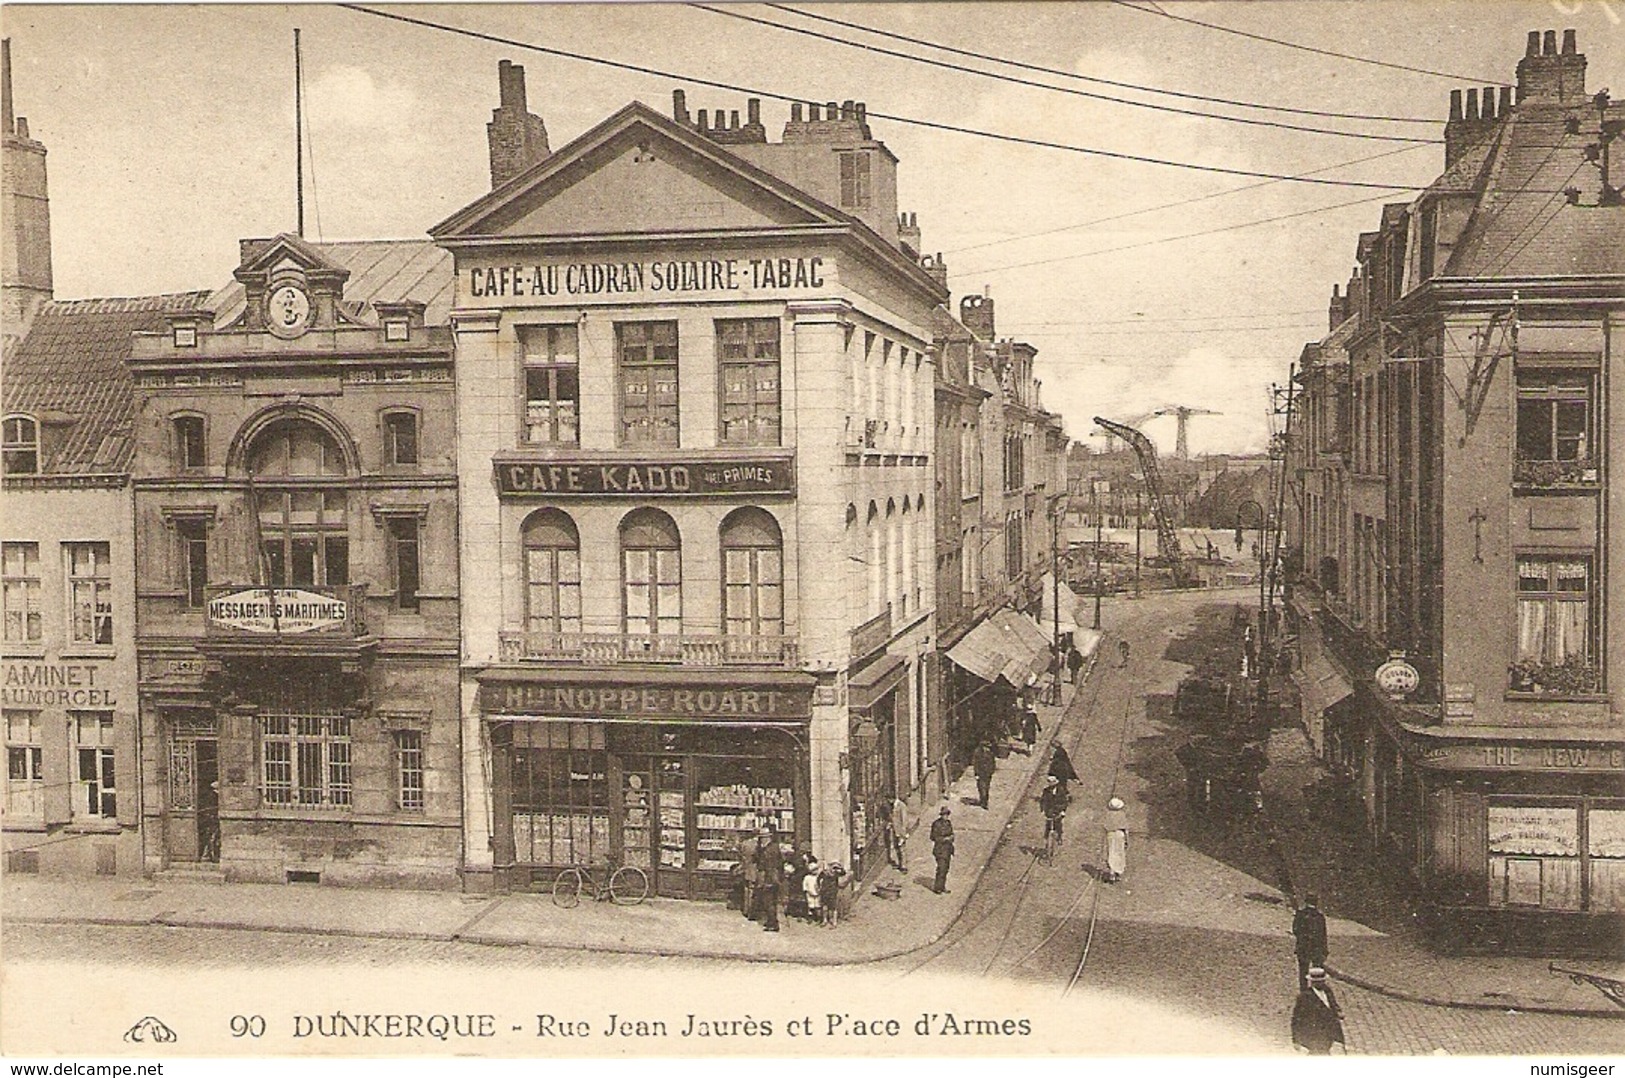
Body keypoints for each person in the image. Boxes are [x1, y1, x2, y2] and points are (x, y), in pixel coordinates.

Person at [1290, 968, 1346, 1054]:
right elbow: (1297, 1018)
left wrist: (1338, 1012)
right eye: (1317, 982)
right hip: (1315, 1035)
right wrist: (1296, 1040)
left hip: (1330, 1033)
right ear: (1312, 982)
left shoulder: (1328, 991)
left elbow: (1333, 1005)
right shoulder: (1305, 997)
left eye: (1322, 981)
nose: (1320, 983)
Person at [1291, 893, 1329, 986]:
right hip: (1316, 948)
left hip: (1303, 947)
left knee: (1303, 970)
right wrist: (1325, 949)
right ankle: (1316, 989)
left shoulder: (1300, 914)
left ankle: (1304, 990)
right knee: (1317, 971)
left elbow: (1295, 930)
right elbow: (1323, 935)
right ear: (1316, 903)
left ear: (1306, 902)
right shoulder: (1320, 917)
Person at [753, 825, 785, 932]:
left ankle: (773, 923)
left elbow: (769, 865)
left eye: (762, 837)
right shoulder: (770, 847)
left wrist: (769, 879)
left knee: (769, 901)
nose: (761, 839)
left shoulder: (770, 849)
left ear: (768, 837)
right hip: (771, 877)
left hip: (770, 878)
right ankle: (770, 920)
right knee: (768, 900)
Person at [1039, 775, 1069, 862]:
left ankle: (1059, 836)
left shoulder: (1061, 791)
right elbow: (1042, 800)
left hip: (1057, 811)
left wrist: (1063, 811)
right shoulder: (1046, 791)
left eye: (1053, 783)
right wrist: (1042, 810)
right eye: (1050, 783)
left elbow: (1064, 802)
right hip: (1049, 811)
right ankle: (1046, 839)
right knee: (1048, 825)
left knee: (1058, 825)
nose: (1051, 785)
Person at [930, 806, 955, 894]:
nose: (946, 817)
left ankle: (942, 886)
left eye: (947, 815)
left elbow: (952, 833)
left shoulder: (948, 823)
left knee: (946, 869)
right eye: (944, 815)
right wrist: (944, 839)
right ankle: (937, 888)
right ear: (941, 815)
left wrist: (951, 837)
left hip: (948, 849)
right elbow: (933, 837)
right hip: (940, 850)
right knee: (941, 868)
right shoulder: (936, 824)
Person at [883, 793, 910, 872]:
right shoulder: (892, 806)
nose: (888, 801)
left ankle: (904, 866)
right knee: (896, 847)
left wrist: (903, 833)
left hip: (901, 831)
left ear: (892, 799)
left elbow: (904, 820)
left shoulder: (901, 806)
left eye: (888, 799)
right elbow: (893, 818)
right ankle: (900, 863)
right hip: (895, 830)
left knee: (902, 848)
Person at [1103, 796, 1128, 882]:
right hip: (1119, 834)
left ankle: (1112, 873)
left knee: (1111, 852)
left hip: (1110, 834)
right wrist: (1127, 840)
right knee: (1119, 852)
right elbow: (1125, 829)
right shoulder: (1122, 815)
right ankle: (1118, 871)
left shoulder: (1108, 814)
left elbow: (1105, 826)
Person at [819, 861, 849, 927]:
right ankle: (825, 920)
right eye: (833, 867)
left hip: (833, 892)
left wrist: (840, 867)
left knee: (834, 908)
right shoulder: (824, 873)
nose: (833, 869)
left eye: (835, 868)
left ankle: (834, 922)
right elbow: (818, 879)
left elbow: (843, 873)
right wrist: (819, 887)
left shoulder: (836, 874)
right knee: (824, 907)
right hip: (825, 891)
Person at [972, 741, 996, 808]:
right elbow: (975, 764)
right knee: (981, 787)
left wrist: (992, 770)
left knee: (987, 787)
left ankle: (985, 801)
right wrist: (976, 773)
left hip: (988, 773)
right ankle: (983, 801)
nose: (988, 748)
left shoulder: (990, 753)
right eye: (986, 747)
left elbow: (993, 762)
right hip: (981, 773)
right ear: (983, 747)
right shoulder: (977, 753)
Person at [801, 857, 822, 925]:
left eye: (816, 870)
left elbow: (821, 884)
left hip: (817, 893)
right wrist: (806, 891)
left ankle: (818, 918)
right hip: (810, 893)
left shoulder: (818, 877)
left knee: (818, 905)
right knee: (810, 905)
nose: (815, 872)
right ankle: (810, 917)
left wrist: (820, 890)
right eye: (813, 870)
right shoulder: (807, 877)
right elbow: (805, 885)